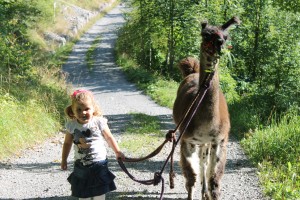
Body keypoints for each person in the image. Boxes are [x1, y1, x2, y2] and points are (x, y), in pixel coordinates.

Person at [61, 89, 125, 200]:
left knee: (99, 193)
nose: (83, 112)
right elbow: (67, 143)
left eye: (87, 109)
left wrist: (118, 152)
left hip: (99, 163)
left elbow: (109, 138)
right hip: (81, 164)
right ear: (73, 110)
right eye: (79, 109)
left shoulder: (98, 122)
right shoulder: (71, 126)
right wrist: (64, 159)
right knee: (82, 193)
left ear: (93, 108)